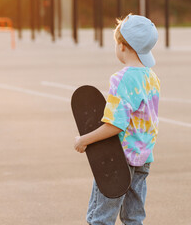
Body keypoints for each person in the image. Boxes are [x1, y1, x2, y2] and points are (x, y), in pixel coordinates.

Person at [74, 14, 160, 225]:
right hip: (143, 159)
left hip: (118, 161)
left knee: (100, 218)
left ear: (122, 46)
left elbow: (115, 124)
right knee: (133, 218)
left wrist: (85, 139)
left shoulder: (122, 79)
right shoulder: (152, 78)